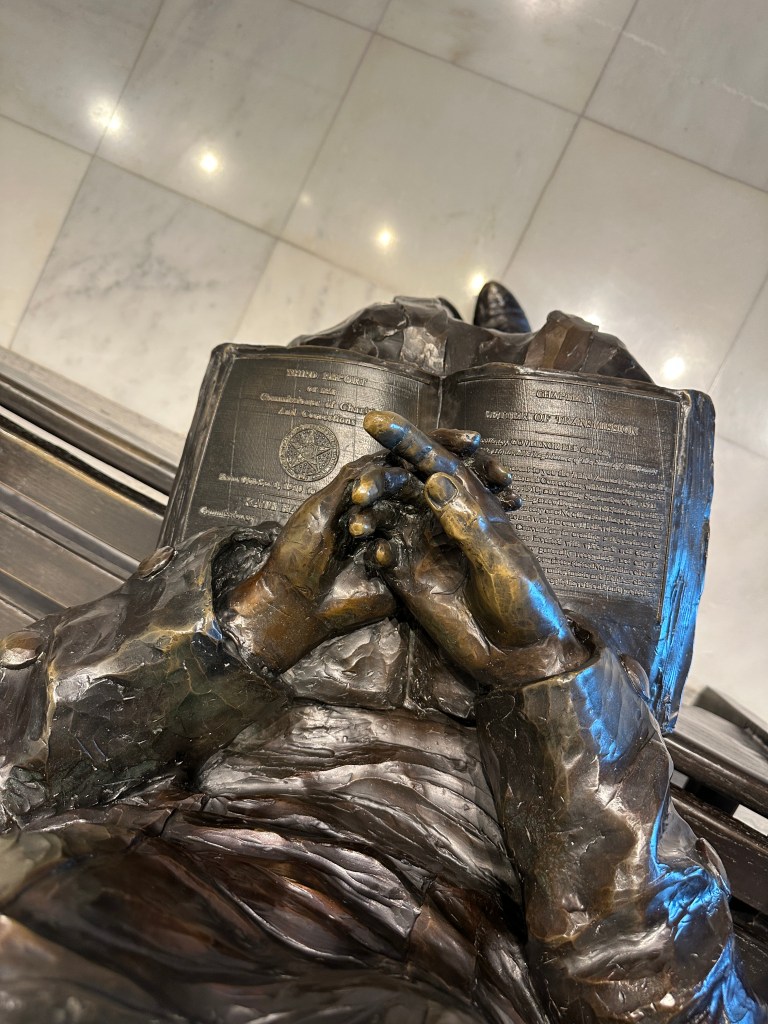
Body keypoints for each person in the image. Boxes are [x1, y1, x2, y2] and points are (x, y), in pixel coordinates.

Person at [0, 288, 763, 1023]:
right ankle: (522, 370)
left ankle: (468, 351)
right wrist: (548, 682)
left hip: (219, 775)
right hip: (507, 842)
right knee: (579, 362)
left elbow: (15, 771)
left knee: (393, 334)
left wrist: (258, 617)